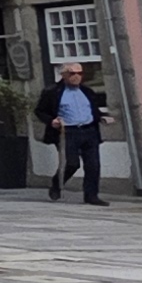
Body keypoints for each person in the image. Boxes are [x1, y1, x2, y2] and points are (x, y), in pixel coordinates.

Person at [37, 62, 108, 205]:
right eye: (72, 73)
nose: (76, 77)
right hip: (68, 131)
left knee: (93, 165)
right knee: (72, 163)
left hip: (89, 130)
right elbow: (40, 111)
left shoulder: (87, 92)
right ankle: (57, 184)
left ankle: (91, 196)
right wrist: (52, 121)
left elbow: (93, 110)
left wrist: (101, 117)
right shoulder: (53, 92)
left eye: (79, 73)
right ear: (64, 75)